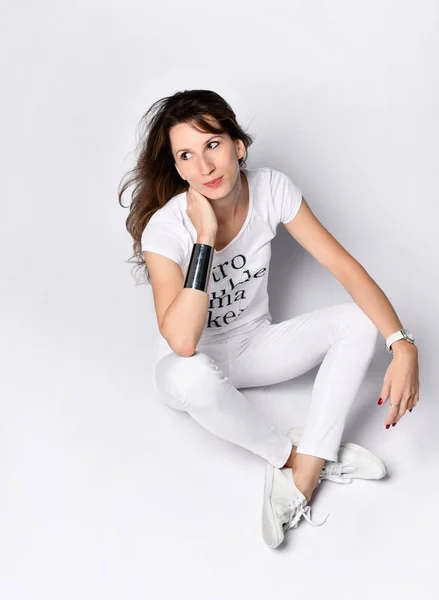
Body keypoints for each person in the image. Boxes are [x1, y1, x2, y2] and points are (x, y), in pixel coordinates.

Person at [118, 89, 420, 549]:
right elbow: (181, 340)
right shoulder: (167, 227)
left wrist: (402, 343)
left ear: (239, 145)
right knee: (193, 374)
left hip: (254, 346)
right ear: (178, 169)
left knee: (361, 324)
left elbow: (343, 266)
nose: (204, 166)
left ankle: (307, 469)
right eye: (186, 155)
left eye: (212, 144)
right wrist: (205, 237)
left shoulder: (272, 188)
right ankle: (294, 458)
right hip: (188, 366)